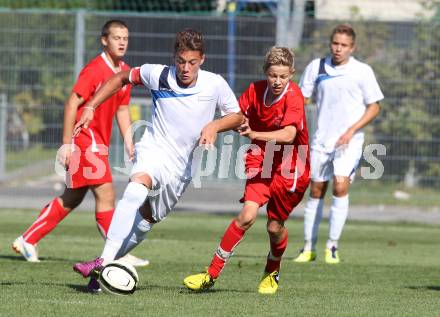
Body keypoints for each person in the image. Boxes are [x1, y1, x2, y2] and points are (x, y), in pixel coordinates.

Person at [71, 29, 244, 291]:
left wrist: (215, 125)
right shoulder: (158, 74)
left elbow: (237, 116)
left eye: (192, 63)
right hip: (153, 150)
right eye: (180, 61)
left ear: (203, 59)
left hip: (182, 168)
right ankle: (103, 259)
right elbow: (120, 78)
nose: (185, 68)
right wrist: (91, 106)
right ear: (174, 57)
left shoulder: (215, 84)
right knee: (135, 189)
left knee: (147, 219)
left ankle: (101, 273)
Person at [12, 20, 149, 271]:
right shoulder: (95, 70)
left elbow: (121, 110)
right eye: (116, 37)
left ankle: (27, 239)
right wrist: (66, 145)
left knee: (72, 198)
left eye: (125, 38)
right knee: (106, 195)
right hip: (85, 141)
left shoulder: (124, 72)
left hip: (98, 144)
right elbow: (71, 103)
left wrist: (130, 142)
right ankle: (117, 253)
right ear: (104, 40)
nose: (121, 42)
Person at [183, 47, 310, 295]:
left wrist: (254, 133)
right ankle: (210, 274)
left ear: (291, 75)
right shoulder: (254, 90)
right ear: (265, 72)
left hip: (291, 167)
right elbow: (236, 116)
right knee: (247, 216)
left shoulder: (294, 96)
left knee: (274, 227)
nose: (277, 81)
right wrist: (215, 126)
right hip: (262, 159)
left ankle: (272, 268)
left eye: (283, 76)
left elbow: (289, 134)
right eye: (273, 75)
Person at [293, 24, 383, 264]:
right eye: (335, 43)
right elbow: (301, 99)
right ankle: (308, 247)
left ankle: (332, 246)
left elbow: (374, 106)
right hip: (321, 140)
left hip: (349, 142)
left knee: (340, 187)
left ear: (352, 48)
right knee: (315, 191)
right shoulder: (317, 67)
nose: (338, 48)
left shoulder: (362, 71)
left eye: (343, 45)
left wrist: (351, 131)